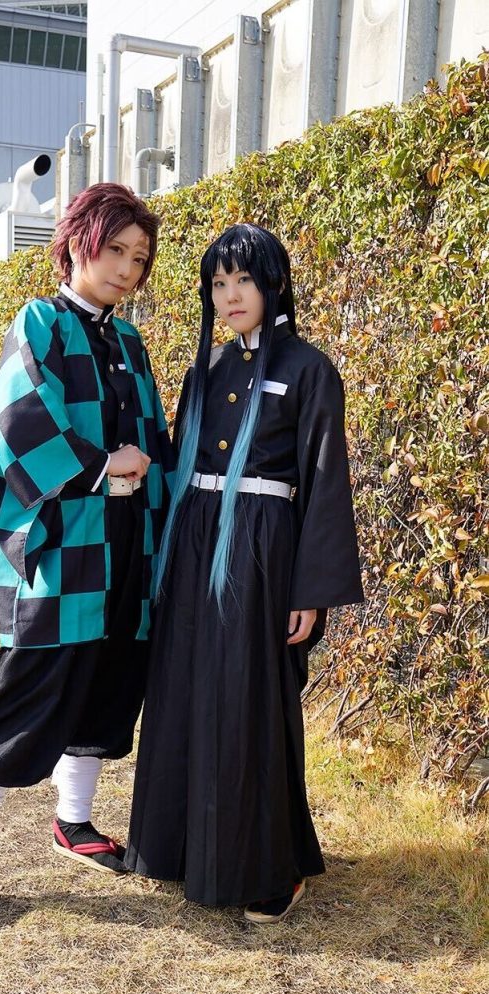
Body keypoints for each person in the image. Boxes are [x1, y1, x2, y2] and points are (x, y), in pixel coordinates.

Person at [0, 183, 175, 934]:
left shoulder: (129, 343)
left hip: (125, 548)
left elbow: (156, 442)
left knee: (105, 688)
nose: (127, 269)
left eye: (139, 258)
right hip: (60, 554)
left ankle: (73, 822)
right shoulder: (40, 321)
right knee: (26, 699)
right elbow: (18, 424)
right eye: (115, 250)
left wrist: (151, 483)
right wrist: (105, 466)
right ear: (76, 245)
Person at [124, 224, 364, 924]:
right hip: (194, 543)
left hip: (262, 554)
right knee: (187, 689)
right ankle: (181, 848)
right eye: (218, 284)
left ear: (274, 283)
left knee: (248, 698)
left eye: (243, 280)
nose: (229, 296)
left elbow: (325, 482)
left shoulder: (310, 369)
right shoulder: (207, 368)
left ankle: (268, 867)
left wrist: (310, 591)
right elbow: (176, 462)